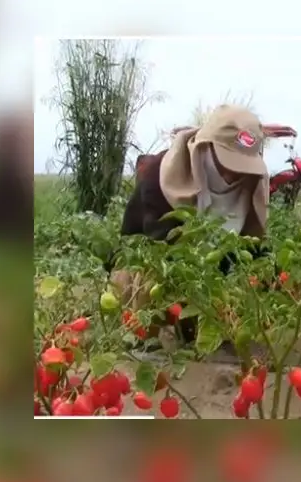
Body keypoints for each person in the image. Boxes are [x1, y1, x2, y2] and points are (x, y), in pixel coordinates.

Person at [111, 104, 271, 344]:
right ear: (206, 148)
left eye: (242, 166)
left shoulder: (250, 186)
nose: (234, 175)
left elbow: (252, 249)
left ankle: (208, 337)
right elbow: (165, 253)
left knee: (244, 284)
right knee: (150, 277)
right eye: (229, 163)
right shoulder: (162, 178)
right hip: (144, 271)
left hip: (207, 277)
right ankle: (144, 342)